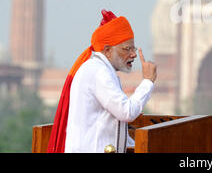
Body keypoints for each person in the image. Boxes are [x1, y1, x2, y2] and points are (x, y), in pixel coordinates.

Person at [47, 10, 157, 153]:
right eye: (127, 49)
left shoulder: (101, 70)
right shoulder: (98, 72)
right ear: (108, 50)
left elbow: (112, 124)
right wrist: (147, 82)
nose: (133, 54)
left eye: (133, 48)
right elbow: (126, 112)